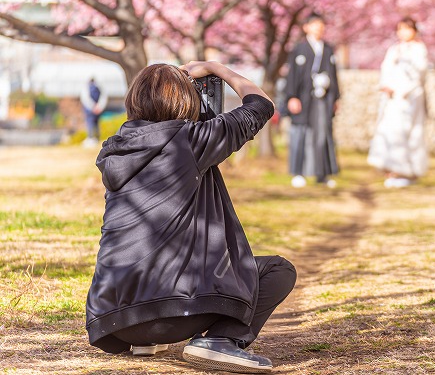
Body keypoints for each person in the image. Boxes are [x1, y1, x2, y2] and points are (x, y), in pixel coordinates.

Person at [85, 62, 296, 374]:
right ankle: (223, 341)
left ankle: (143, 342)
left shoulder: (117, 149)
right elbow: (261, 104)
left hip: (113, 321)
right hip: (174, 314)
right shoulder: (190, 140)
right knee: (278, 271)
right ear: (185, 101)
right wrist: (217, 68)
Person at [367, 17, 429, 188]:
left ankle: (407, 171)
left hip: (410, 99)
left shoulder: (419, 49)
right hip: (392, 100)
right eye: (400, 28)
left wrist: (400, 90)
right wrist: (386, 86)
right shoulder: (394, 49)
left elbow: (419, 75)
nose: (403, 32)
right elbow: (385, 70)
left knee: (408, 134)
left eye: (407, 29)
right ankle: (392, 170)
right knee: (389, 132)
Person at [284, 13, 340, 188]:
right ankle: (298, 172)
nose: (319, 28)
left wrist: (336, 97)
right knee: (300, 133)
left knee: (323, 134)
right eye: (315, 24)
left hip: (322, 99)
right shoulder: (299, 49)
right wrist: (292, 96)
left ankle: (322, 173)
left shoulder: (328, 49)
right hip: (302, 98)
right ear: (306, 27)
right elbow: (291, 75)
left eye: (321, 24)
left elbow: (335, 76)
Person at [80, 78, 108, 146]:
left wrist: (92, 107)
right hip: (98, 109)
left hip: (90, 110)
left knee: (90, 124)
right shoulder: (99, 87)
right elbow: (103, 97)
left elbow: (85, 99)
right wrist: (99, 107)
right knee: (96, 124)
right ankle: (97, 138)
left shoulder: (86, 87)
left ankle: (91, 138)